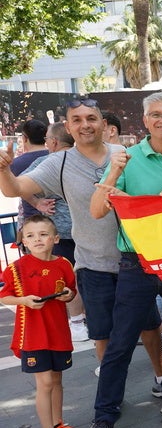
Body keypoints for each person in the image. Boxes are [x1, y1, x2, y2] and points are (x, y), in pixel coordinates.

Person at [0, 98, 162, 388]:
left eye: (91, 118)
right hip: (93, 264)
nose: (85, 125)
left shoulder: (126, 153)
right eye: (77, 120)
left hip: (136, 262)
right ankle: (112, 390)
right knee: (102, 333)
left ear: (103, 124)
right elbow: (17, 188)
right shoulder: (58, 163)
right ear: (68, 126)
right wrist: (4, 170)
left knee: (150, 326)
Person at [83, 92, 162, 428]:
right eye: (156, 114)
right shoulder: (125, 159)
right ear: (145, 121)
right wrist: (114, 170)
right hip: (137, 263)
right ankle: (104, 415)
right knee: (120, 343)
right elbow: (97, 211)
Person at [0, 215, 79, 428]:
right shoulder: (16, 268)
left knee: (56, 381)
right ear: (23, 240)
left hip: (58, 332)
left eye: (43, 234)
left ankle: (58, 425)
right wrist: (23, 300)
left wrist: (67, 295)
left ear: (55, 238)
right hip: (33, 335)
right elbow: (4, 296)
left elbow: (71, 291)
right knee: (44, 384)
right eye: (30, 235)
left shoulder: (64, 263)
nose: (37, 239)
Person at [22, 123, 87, 342]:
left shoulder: (46, 161)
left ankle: (78, 322)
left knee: (69, 277)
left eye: (48, 139)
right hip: (88, 228)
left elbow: (18, 185)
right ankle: (83, 319)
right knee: (87, 275)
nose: (47, 142)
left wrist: (37, 202)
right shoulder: (82, 157)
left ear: (54, 142)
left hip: (64, 231)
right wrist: (38, 203)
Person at [10, 119, 49, 221]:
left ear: (24, 138)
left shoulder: (16, 163)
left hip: (31, 220)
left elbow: (10, 189)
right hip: (57, 216)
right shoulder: (57, 157)